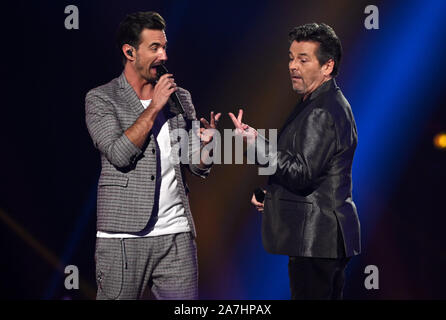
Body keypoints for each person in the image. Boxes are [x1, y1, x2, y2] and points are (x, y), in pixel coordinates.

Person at [85, 11, 220, 300]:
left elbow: (196, 166)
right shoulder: (101, 98)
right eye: (155, 48)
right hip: (123, 239)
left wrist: (208, 145)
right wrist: (154, 107)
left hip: (176, 235)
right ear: (129, 52)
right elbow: (119, 154)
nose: (164, 56)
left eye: (165, 47)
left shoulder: (180, 97)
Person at [229, 23, 360, 300]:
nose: (293, 66)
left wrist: (255, 144)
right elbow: (314, 175)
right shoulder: (320, 102)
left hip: (317, 242)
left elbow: (300, 173)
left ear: (327, 66)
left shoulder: (322, 110)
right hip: (321, 239)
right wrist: (272, 195)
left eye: (303, 59)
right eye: (291, 58)